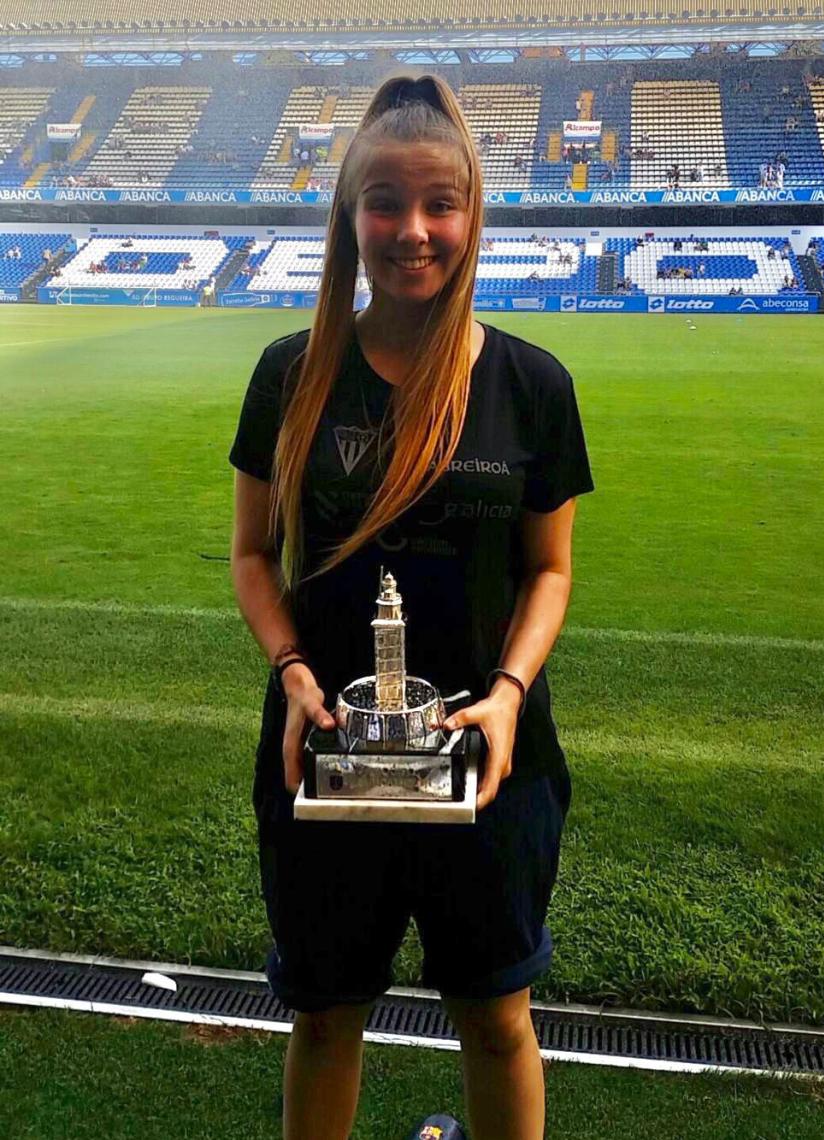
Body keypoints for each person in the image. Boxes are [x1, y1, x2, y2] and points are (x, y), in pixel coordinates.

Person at [229, 75, 593, 1140]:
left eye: (441, 204)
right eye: (384, 202)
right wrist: (294, 672)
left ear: (473, 215)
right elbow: (252, 555)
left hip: (489, 758)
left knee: (496, 1018)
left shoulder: (530, 383)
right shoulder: (292, 373)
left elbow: (549, 571)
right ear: (350, 213)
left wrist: (510, 693)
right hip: (325, 747)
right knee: (324, 1015)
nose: (413, 231)